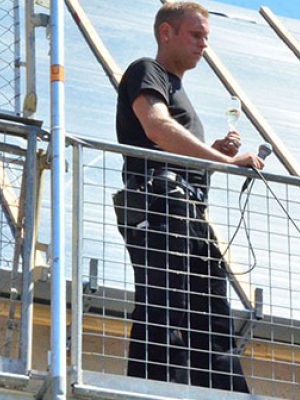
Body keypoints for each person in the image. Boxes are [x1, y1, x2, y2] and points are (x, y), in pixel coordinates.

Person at [112, 1, 261, 392]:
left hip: (185, 209)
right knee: (167, 305)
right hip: (161, 206)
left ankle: (222, 389)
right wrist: (223, 161)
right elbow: (157, 127)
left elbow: (171, 144)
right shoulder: (147, 70)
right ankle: (157, 389)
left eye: (206, 37)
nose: (203, 45)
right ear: (167, 32)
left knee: (210, 310)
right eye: (196, 35)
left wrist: (212, 154)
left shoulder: (177, 88)